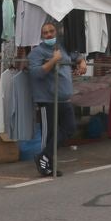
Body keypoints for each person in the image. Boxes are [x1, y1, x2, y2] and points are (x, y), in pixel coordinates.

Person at [28, 21, 86, 178]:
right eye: (45, 32)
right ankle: (47, 165)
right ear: (41, 35)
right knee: (49, 135)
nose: (49, 35)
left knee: (70, 128)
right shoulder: (37, 53)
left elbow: (76, 56)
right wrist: (53, 60)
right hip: (48, 100)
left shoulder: (62, 47)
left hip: (64, 99)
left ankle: (43, 156)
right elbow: (36, 74)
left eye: (51, 31)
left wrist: (82, 62)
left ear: (56, 32)